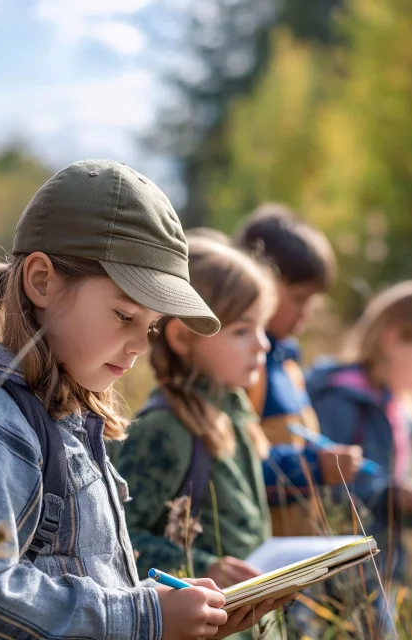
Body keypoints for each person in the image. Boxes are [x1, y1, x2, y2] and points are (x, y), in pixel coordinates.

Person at [0, 160, 285, 640]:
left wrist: (174, 611)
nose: (141, 345)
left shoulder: (72, 421)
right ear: (42, 281)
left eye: (151, 325)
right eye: (124, 315)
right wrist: (145, 618)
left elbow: (81, 578)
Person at [117, 235, 329, 638]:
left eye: (262, 327)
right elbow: (117, 540)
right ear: (183, 338)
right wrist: (201, 565)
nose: (263, 344)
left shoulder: (234, 415)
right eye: (241, 331)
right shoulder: (164, 429)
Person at [306, 280, 412, 627]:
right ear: (392, 339)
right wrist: (391, 496)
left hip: (384, 567)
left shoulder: (400, 408)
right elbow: (327, 487)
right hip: (340, 572)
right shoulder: (339, 400)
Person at [235, 203, 363, 537]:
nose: (306, 313)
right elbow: (234, 468)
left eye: (314, 302)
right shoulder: (244, 368)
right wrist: (313, 467)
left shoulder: (290, 366)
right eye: (298, 297)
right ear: (257, 281)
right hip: (260, 560)